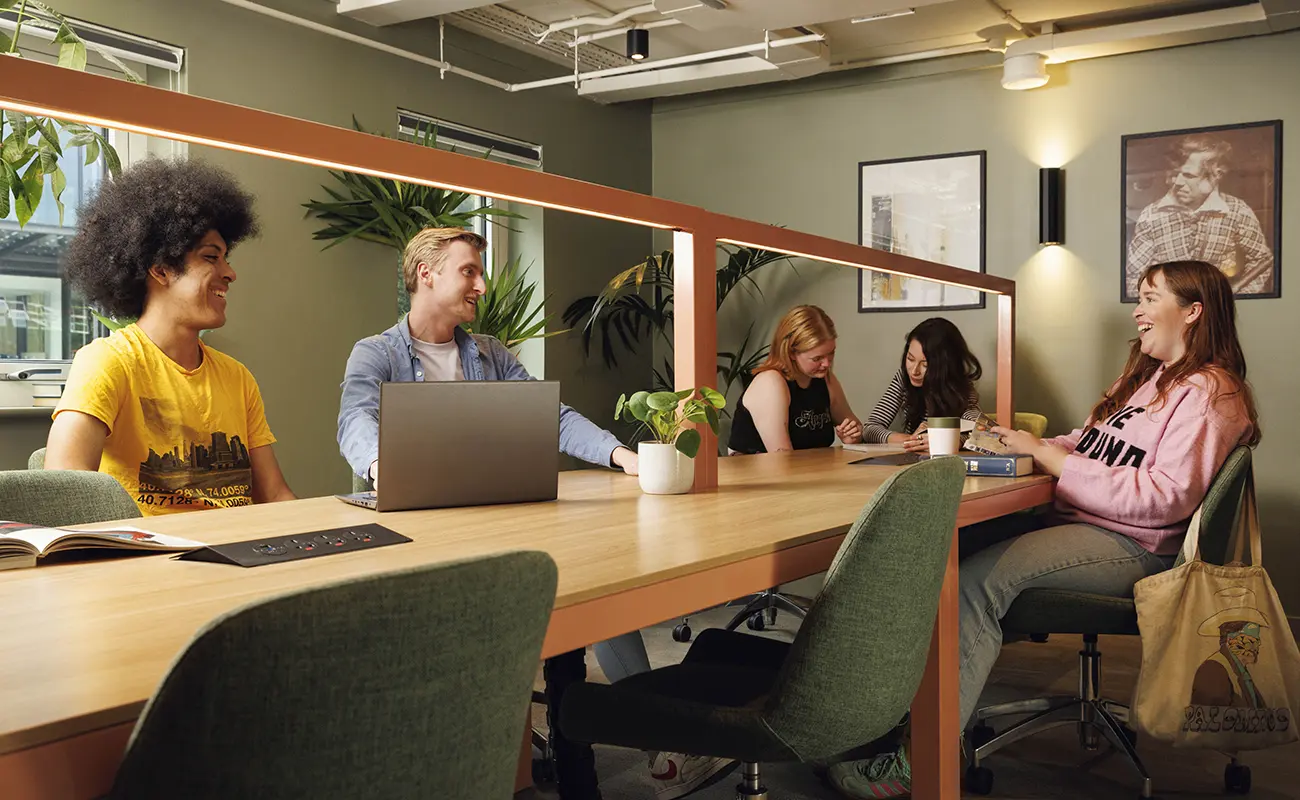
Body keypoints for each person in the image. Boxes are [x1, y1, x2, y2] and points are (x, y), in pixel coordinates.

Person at [827, 260, 1259, 799]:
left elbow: (1163, 498)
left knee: (973, 584)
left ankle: (916, 766)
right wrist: (1032, 445)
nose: (1137, 311)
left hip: (1134, 546)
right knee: (932, 554)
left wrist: (1049, 462)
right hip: (1088, 525)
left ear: (1192, 312)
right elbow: (1090, 440)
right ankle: (899, 720)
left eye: (1150, 298)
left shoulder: (1211, 394)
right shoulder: (1150, 382)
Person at [336, 226, 729, 799]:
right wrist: (380, 465)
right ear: (427, 273)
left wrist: (622, 456)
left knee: (594, 589)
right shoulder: (377, 353)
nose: (481, 283)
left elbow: (554, 415)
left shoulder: (490, 353)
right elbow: (354, 421)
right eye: (468, 270)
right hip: (421, 534)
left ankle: (642, 747)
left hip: (501, 519)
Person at [47, 158, 296, 515]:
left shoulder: (237, 378)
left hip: (241, 555)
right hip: (146, 562)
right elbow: (65, 494)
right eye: (212, 257)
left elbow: (275, 496)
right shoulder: (108, 363)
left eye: (226, 258)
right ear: (161, 269)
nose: (230, 273)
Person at [1127, 135, 1274, 297]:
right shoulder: (1150, 215)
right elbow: (1135, 275)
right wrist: (1155, 305)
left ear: (1216, 175)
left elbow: (1262, 261)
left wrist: (1233, 300)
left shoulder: (1237, 211)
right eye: (1176, 174)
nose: (1177, 182)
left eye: (1189, 175)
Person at [727, 305, 863, 454]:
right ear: (791, 352)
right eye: (817, 358)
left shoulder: (825, 379)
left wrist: (852, 436)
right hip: (754, 473)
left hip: (803, 471)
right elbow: (782, 457)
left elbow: (855, 428)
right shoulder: (770, 383)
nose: (827, 364)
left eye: (831, 353)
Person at [861, 317, 981, 453]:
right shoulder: (903, 378)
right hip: (912, 460)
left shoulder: (960, 388)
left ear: (944, 367)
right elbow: (870, 428)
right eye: (910, 359)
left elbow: (983, 434)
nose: (914, 371)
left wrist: (948, 440)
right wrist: (912, 440)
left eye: (925, 365)